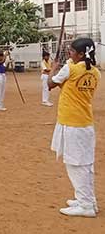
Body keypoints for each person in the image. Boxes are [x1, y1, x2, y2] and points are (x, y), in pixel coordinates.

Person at [48, 38, 100, 217]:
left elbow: (50, 84)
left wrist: (54, 67)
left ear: (80, 54)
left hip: (72, 124)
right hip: (85, 124)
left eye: (71, 51)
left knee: (75, 164)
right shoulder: (95, 72)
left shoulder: (69, 69)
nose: (68, 54)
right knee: (86, 164)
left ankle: (86, 206)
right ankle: (88, 200)